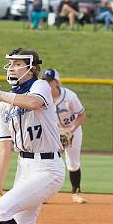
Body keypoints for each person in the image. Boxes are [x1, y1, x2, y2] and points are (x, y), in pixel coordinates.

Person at [0, 48, 81, 224]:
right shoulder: (3, 106)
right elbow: (4, 148)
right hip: (25, 167)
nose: (11, 68)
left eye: (17, 64)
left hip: (48, 168)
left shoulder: (39, 86)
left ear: (31, 67)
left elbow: (32, 102)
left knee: (1, 210)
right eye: (9, 65)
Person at [43, 68, 87, 204]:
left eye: (50, 81)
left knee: (73, 162)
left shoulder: (70, 96)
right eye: (45, 81)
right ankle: (42, 195)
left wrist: (71, 131)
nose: (47, 84)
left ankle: (76, 193)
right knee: (47, 163)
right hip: (54, 132)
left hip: (72, 130)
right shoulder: (43, 98)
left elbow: (81, 115)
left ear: (56, 82)